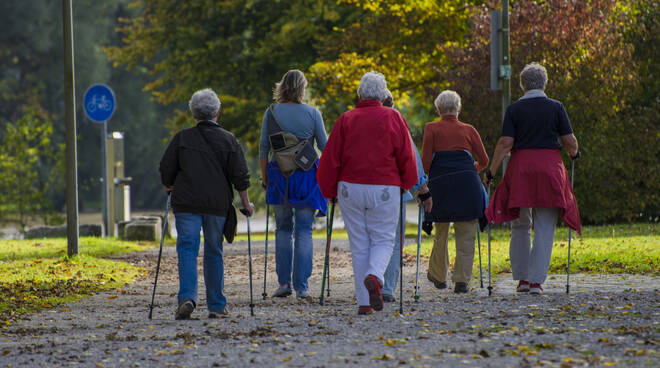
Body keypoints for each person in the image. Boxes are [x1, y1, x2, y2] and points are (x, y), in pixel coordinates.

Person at [317, 71, 418, 315]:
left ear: (360, 93)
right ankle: (375, 275)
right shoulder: (393, 117)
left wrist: (329, 190)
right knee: (383, 238)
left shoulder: (346, 119)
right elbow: (407, 155)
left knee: (359, 243)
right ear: (384, 95)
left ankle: (364, 303)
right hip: (385, 186)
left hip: (350, 187)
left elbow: (330, 159)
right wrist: (408, 183)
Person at [485, 63, 581, 295]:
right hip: (549, 168)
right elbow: (569, 141)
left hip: (521, 168)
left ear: (522, 84)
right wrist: (575, 153)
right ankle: (536, 281)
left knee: (520, 223)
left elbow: (505, 143)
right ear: (545, 83)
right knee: (545, 225)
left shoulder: (514, 109)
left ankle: (522, 280)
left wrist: (492, 170)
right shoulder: (556, 107)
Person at [160, 88, 254, 319]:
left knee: (187, 249)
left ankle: (188, 298)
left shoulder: (182, 138)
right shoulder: (229, 140)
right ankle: (217, 305)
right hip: (216, 205)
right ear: (217, 113)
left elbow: (165, 168)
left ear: (193, 113)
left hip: (187, 204)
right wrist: (247, 204)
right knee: (214, 251)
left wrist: (169, 185)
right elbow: (240, 176)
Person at [259, 70, 328, 299]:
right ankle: (302, 287)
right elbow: (324, 147)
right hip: (307, 176)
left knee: (282, 229)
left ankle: (283, 283)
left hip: (279, 175)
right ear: (302, 88)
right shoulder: (313, 113)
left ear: (282, 87)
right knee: (304, 230)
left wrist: (265, 178)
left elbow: (263, 149)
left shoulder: (271, 113)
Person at [421, 90, 489, 293]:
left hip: (441, 186)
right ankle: (461, 281)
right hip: (468, 185)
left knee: (441, 231)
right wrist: (470, 170)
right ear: (458, 109)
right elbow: (484, 161)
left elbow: (425, 163)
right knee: (467, 232)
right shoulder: (469, 130)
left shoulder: (431, 128)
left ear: (438, 109)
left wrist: (425, 183)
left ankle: (438, 276)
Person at [381, 92, 432, 303]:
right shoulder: (398, 123)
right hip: (396, 191)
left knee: (371, 240)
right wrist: (423, 190)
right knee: (393, 241)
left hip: (364, 190)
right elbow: (411, 160)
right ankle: (387, 287)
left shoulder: (358, 121)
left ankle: (371, 282)